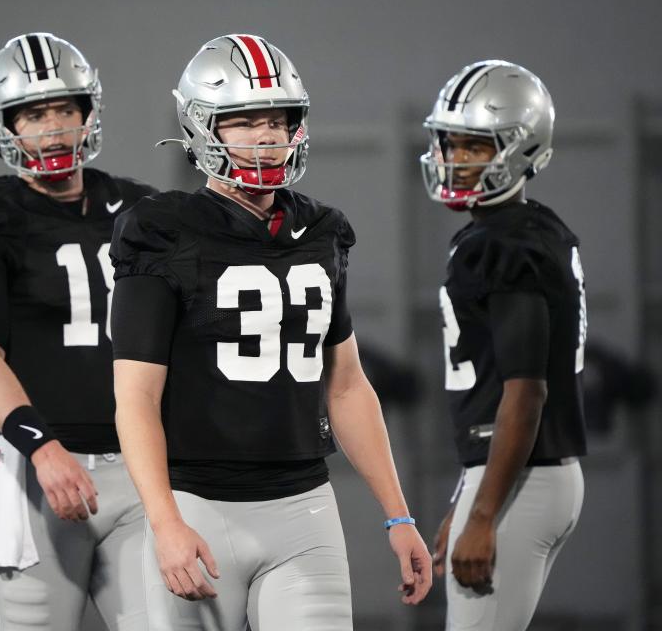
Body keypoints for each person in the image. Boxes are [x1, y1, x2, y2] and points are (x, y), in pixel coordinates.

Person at [110, 34, 431, 631]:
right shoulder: (161, 231)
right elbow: (135, 398)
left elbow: (347, 387)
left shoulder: (321, 231)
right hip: (198, 505)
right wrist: (164, 520)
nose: (266, 136)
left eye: (279, 121)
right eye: (244, 121)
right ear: (203, 128)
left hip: (304, 506)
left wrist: (398, 514)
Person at [0, 33, 158, 631]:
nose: (54, 129)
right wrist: (42, 445)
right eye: (35, 114)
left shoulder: (139, 209)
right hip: (34, 466)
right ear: (6, 125)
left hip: (139, 463)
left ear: (89, 115)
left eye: (66, 110)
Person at [421, 60, 587, 630]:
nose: (455, 160)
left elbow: (525, 392)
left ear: (520, 148)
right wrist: (468, 499)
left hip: (522, 476)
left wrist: (485, 511)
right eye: (451, 144)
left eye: (474, 147)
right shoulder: (534, 227)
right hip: (528, 474)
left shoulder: (501, 245)